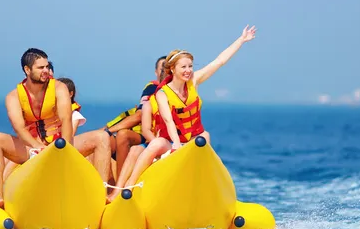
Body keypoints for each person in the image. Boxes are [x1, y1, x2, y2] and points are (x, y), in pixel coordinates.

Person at [109, 25, 257, 202]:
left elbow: (219, 61)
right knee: (155, 144)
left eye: (190, 66)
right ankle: (129, 188)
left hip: (193, 138)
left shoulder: (193, 82)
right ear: (172, 69)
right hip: (171, 140)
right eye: (183, 67)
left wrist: (241, 40)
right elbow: (168, 120)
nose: (188, 70)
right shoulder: (163, 93)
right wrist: (176, 146)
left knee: (205, 135)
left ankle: (213, 188)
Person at [0, 48, 73, 208]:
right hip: (32, 149)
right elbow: (19, 128)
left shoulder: (59, 88)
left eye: (47, 66)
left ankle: (103, 201)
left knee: (101, 138)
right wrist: (38, 147)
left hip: (60, 146)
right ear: (27, 69)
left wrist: (65, 148)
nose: (46, 71)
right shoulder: (13, 97)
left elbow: (66, 118)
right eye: (41, 68)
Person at [99, 56, 166, 182]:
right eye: (162, 68)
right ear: (156, 72)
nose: (165, 71)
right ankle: (112, 185)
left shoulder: (176, 91)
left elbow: (139, 115)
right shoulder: (152, 88)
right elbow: (137, 115)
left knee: (122, 135)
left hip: (155, 137)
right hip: (144, 134)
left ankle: (120, 185)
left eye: (168, 68)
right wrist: (106, 132)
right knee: (101, 141)